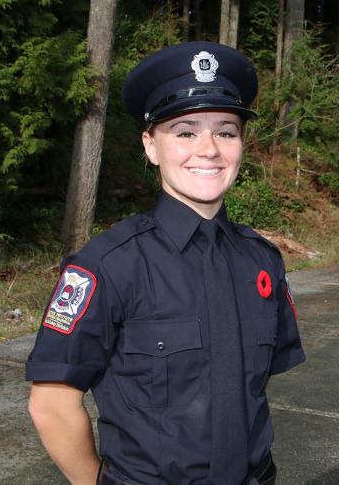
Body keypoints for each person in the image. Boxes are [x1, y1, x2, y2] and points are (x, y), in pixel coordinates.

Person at [26, 41, 305, 485]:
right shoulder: (108, 265)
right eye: (186, 131)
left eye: (226, 131)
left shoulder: (262, 262)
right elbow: (52, 404)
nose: (209, 149)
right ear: (151, 145)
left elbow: (251, 386)